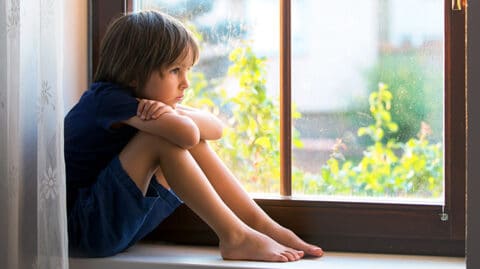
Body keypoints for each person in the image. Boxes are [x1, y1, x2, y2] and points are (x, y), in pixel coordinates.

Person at [64, 9, 324, 262]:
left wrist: (171, 112)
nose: (186, 82)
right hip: (85, 229)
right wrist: (173, 115)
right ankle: (234, 235)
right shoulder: (107, 100)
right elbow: (187, 134)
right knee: (161, 139)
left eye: (187, 70)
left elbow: (215, 128)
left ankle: (260, 224)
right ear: (133, 74)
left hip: (110, 226)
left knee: (182, 136)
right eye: (176, 70)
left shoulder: (146, 103)